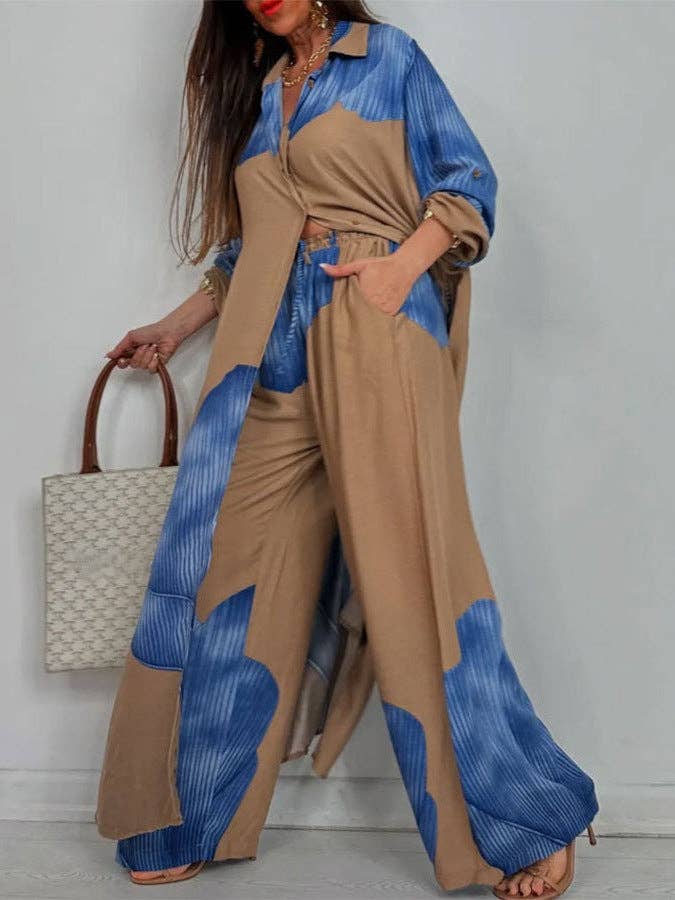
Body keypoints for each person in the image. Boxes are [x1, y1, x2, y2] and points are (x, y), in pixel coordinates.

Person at [95, 1, 599, 896]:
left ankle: (521, 822)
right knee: (225, 571)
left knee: (415, 582)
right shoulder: (259, 90)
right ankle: (195, 806)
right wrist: (175, 328)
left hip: (372, 330)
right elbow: (252, 244)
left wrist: (398, 272)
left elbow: (466, 178)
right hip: (267, 355)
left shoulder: (388, 57)